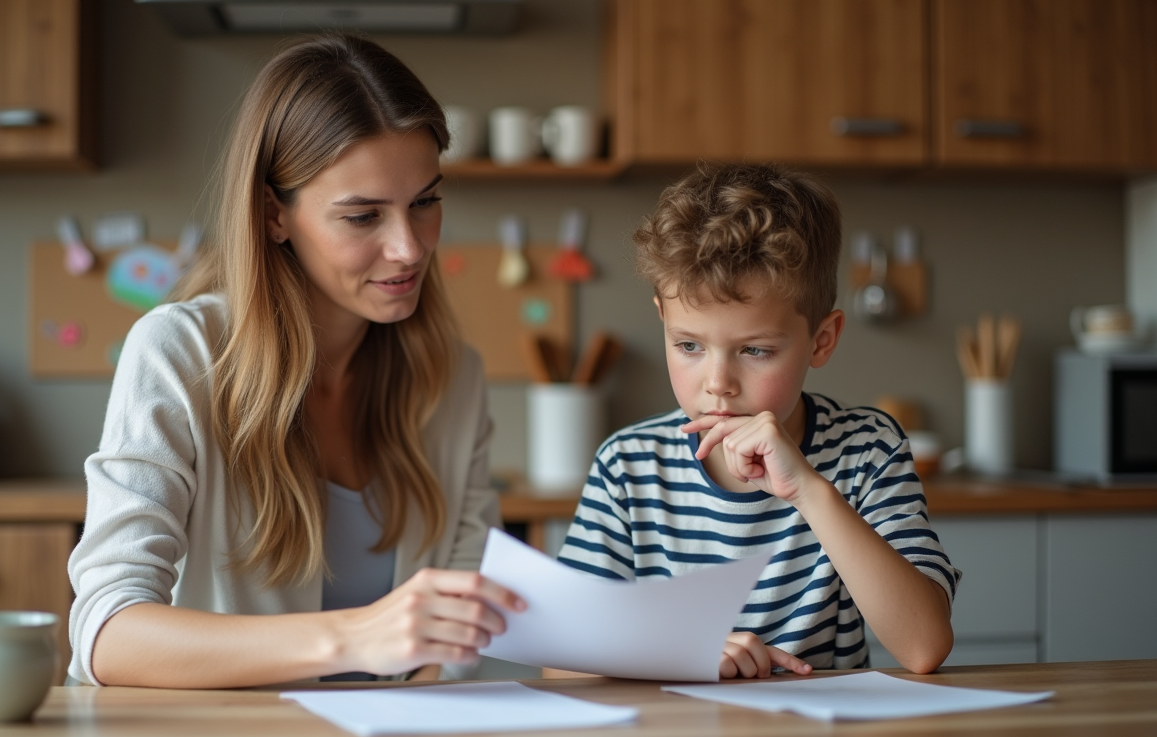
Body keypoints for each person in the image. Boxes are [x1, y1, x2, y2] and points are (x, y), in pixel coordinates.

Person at [67, 33, 524, 688]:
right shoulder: (178, 352)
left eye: (424, 202)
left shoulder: (454, 376)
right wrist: (351, 638)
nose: (409, 248)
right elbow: (106, 633)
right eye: (363, 217)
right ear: (272, 214)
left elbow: (462, 622)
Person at [556, 162, 959, 679]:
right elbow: (561, 664)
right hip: (671, 729)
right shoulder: (628, 465)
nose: (717, 382)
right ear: (663, 319)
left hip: (821, 729)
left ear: (821, 341)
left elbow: (924, 647)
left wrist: (809, 490)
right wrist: (675, 648)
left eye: (755, 350)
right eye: (688, 346)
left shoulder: (866, 450)